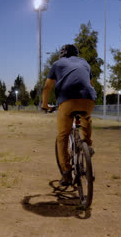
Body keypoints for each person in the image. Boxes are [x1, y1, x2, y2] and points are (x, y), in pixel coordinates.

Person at [41, 44, 97, 186]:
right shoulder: (84, 62)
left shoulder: (57, 64)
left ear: (62, 54)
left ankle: (66, 174)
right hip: (89, 99)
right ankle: (87, 146)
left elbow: (47, 87)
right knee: (86, 118)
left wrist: (45, 105)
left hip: (67, 100)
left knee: (63, 136)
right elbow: (90, 83)